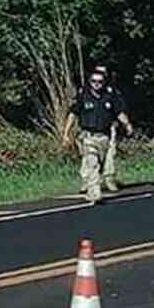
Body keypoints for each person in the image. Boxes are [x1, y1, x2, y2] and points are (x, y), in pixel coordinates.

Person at [65, 65, 135, 204]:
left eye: (100, 82)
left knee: (101, 164)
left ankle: (95, 187)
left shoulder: (109, 96)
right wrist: (66, 133)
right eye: (94, 81)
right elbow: (73, 114)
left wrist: (127, 125)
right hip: (88, 136)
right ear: (90, 82)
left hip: (104, 137)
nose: (97, 84)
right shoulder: (83, 96)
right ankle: (95, 193)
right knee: (92, 163)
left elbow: (119, 112)